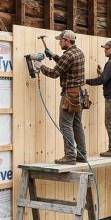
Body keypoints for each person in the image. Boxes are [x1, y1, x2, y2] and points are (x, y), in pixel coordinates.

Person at [34, 30, 87, 165]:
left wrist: (41, 66)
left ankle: (69, 156)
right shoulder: (78, 52)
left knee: (65, 125)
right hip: (79, 94)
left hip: (69, 95)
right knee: (77, 124)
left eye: (61, 40)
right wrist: (54, 55)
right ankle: (82, 155)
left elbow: (54, 73)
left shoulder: (68, 55)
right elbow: (66, 66)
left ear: (68, 41)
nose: (59, 42)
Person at [85, 39, 111, 157]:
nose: (105, 50)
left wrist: (86, 81)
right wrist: (103, 72)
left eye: (107, 49)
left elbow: (102, 80)